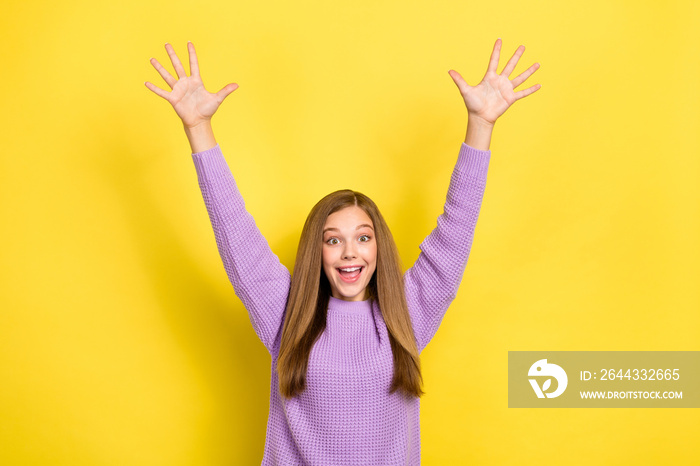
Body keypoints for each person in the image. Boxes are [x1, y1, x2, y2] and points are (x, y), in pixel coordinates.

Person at [145, 39, 540, 465]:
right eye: (333, 239)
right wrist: (197, 129)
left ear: (379, 247)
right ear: (317, 253)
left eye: (363, 237)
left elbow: (455, 230)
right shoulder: (285, 313)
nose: (350, 252)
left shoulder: (406, 315)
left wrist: (481, 125)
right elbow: (235, 232)